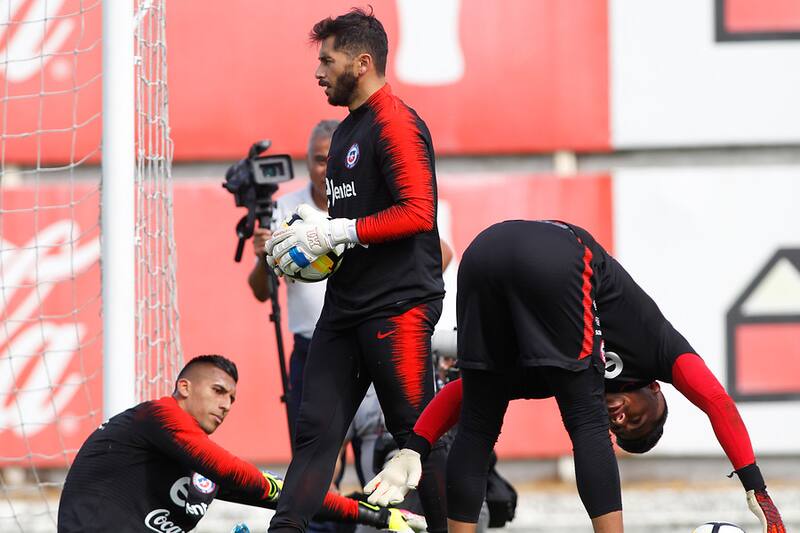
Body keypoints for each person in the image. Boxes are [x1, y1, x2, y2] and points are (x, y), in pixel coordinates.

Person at [366, 220, 787, 533]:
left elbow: (463, 393)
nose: (621, 421)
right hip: (560, 252)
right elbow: (716, 401)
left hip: (482, 255)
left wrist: (414, 447)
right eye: (638, 420)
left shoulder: (553, 374)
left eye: (619, 428)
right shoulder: (660, 348)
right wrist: (757, 487)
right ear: (656, 391)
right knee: (585, 421)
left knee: (481, 412)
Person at [265, 8, 448, 533]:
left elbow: (418, 214)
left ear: (362, 62)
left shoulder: (398, 122)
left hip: (399, 306)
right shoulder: (345, 133)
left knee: (416, 440)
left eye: (327, 59)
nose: (318, 71)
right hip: (345, 308)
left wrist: (334, 232)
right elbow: (352, 232)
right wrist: (312, 253)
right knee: (315, 435)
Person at [57, 355, 424, 533]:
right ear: (184, 387)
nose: (226, 405)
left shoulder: (201, 466)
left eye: (232, 398)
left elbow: (287, 495)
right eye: (218, 391)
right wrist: (261, 484)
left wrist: (375, 515)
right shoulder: (158, 415)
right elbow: (239, 473)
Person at [248, 119, 339, 430]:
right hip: (309, 348)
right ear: (306, 162)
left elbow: (440, 251)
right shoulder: (283, 209)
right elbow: (261, 291)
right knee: (316, 456)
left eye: (333, 158)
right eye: (318, 159)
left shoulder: (365, 202)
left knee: (376, 455)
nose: (325, 168)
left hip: (363, 343)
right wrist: (264, 258)